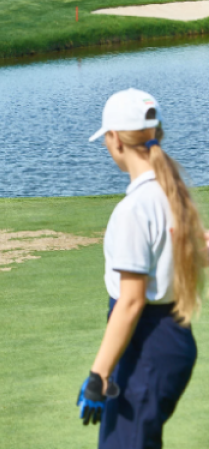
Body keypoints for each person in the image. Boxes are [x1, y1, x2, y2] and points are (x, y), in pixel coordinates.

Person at [77, 88, 205, 448]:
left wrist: (98, 376)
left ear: (115, 139)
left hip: (147, 345)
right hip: (174, 340)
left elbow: (131, 302)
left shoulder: (133, 209)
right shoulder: (172, 193)